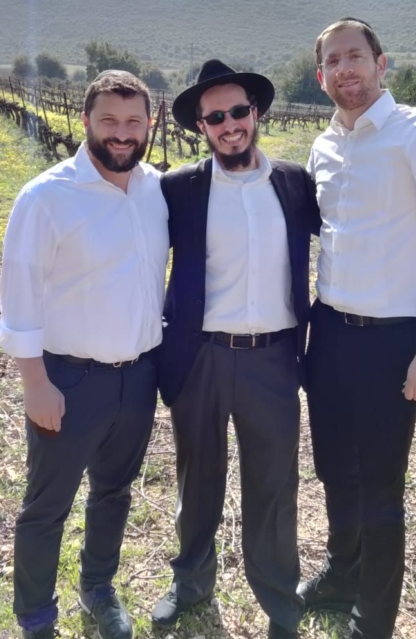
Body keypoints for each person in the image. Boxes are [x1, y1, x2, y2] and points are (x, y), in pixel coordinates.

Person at [299, 19, 416, 639]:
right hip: (329, 331)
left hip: (393, 339)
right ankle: (341, 574)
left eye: (355, 56)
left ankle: (373, 619)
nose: (345, 69)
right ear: (320, 76)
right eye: (333, 61)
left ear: (382, 64)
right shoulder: (323, 148)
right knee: (333, 468)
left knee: (380, 485)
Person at [0, 70, 169, 639]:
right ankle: (36, 619)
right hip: (68, 380)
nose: (122, 133)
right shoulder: (46, 197)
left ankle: (97, 589)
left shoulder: (156, 190)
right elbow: (18, 298)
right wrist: (35, 383)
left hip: (139, 377)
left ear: (150, 124)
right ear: (86, 120)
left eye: (133, 121)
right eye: (109, 120)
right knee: (47, 507)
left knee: (114, 491)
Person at [152, 60, 319, 639]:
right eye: (215, 117)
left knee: (274, 487)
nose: (230, 125)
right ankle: (191, 584)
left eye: (238, 112)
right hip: (199, 357)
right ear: (201, 127)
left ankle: (280, 602)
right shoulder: (179, 189)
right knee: (197, 479)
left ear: (256, 112)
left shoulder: (294, 182)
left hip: (273, 359)